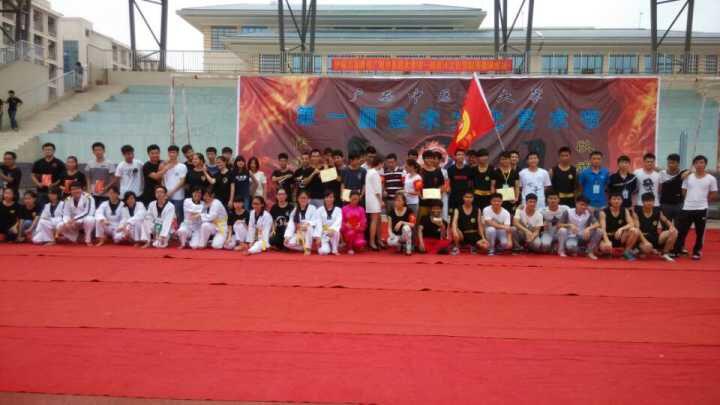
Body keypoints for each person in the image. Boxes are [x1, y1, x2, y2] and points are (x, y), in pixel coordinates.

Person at [673, 155, 718, 260]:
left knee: (700, 232)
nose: (699, 165)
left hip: (702, 209)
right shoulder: (688, 177)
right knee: (682, 231)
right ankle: (677, 250)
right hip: (687, 208)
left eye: (701, 162)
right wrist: (690, 200)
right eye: (697, 162)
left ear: (705, 164)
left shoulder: (711, 179)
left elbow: (714, 193)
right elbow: (683, 191)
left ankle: (697, 251)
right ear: (694, 164)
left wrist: (704, 200)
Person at [633, 192, 677, 262]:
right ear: (642, 202)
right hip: (642, 238)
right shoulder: (637, 212)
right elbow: (637, 229)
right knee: (647, 248)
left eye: (651, 201)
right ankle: (640, 250)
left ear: (654, 202)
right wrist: (645, 242)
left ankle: (665, 253)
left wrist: (672, 227)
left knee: (674, 232)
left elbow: (665, 220)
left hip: (655, 237)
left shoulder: (657, 211)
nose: (649, 203)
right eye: (647, 201)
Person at [598, 193, 640, 260]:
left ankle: (626, 252)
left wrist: (621, 229)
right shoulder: (603, 212)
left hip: (620, 236)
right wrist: (607, 241)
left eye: (618, 199)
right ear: (609, 201)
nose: (616, 201)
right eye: (614, 199)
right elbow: (603, 229)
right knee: (607, 247)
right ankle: (606, 251)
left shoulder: (625, 210)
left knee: (635, 231)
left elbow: (632, 223)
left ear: (622, 201)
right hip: (608, 236)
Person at [57, 181, 96, 246]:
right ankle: (77, 238)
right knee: (59, 226)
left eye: (78, 189)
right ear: (70, 191)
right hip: (73, 223)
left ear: (82, 189)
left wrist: (74, 219)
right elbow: (66, 214)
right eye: (73, 189)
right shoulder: (67, 200)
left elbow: (88, 212)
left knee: (90, 219)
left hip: (84, 220)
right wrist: (67, 222)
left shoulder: (88, 197)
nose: (75, 191)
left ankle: (88, 239)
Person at [451, 191, 488, 255]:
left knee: (485, 247)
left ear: (473, 198)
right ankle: (457, 247)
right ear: (463, 198)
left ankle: (473, 246)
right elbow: (454, 222)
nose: (468, 199)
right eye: (466, 197)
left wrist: (483, 237)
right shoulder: (458, 209)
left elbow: (479, 225)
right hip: (462, 235)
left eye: (470, 197)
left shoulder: (477, 209)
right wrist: (455, 232)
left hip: (474, 234)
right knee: (455, 231)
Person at [159, 145, 188, 223]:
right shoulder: (164, 166)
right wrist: (164, 192)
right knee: (166, 216)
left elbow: (182, 181)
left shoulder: (182, 166)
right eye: (170, 152)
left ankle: (178, 230)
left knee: (177, 216)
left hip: (178, 196)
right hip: (166, 195)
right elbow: (162, 179)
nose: (172, 154)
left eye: (174, 152)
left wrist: (171, 192)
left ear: (177, 154)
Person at [659, 153, 688, 224]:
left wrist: (689, 172)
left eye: (673, 163)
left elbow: (694, 171)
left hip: (679, 204)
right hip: (665, 205)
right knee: (665, 227)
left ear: (678, 163)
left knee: (679, 226)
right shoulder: (662, 173)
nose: (670, 165)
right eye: (669, 163)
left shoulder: (683, 173)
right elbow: (659, 189)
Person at [539, 190, 570, 255]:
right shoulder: (542, 211)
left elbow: (574, 212)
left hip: (559, 234)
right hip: (548, 233)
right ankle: (554, 246)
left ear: (559, 200)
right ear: (547, 200)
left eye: (555, 198)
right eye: (550, 198)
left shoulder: (565, 209)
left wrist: (589, 209)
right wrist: (542, 224)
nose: (553, 200)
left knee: (563, 230)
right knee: (545, 247)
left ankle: (561, 251)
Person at [313, 190, 342, 256]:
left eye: (331, 197)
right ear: (324, 199)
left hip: (333, 233)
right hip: (324, 234)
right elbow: (318, 224)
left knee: (336, 232)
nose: (329, 199)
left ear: (334, 199)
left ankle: (334, 250)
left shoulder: (338, 210)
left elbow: (338, 222)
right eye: (327, 197)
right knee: (324, 252)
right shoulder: (319, 210)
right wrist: (318, 237)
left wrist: (332, 229)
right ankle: (323, 247)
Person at [491, 151, 520, 216]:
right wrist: (493, 198)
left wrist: (516, 197)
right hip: (498, 200)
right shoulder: (495, 172)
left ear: (509, 159)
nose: (504, 161)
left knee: (511, 215)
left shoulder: (514, 172)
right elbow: (492, 186)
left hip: (511, 199)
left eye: (506, 159)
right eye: (502, 159)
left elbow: (517, 186)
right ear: (499, 160)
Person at [419, 150, 445, 219]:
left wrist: (438, 192)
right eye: (427, 158)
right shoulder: (420, 171)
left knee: (435, 221)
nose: (430, 160)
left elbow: (442, 185)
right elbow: (416, 187)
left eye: (431, 158)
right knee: (422, 220)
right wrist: (420, 195)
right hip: (423, 202)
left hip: (435, 203)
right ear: (423, 159)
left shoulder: (438, 171)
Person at [365, 156, 384, 250]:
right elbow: (377, 190)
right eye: (382, 164)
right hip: (374, 199)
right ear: (380, 163)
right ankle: (372, 242)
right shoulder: (375, 173)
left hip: (370, 199)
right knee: (374, 220)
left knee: (378, 220)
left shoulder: (369, 172)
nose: (383, 166)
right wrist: (381, 201)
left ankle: (379, 240)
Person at [341, 190, 367, 254]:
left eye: (356, 199)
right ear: (349, 198)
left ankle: (355, 244)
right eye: (353, 199)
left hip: (358, 232)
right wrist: (346, 225)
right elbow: (341, 221)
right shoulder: (344, 209)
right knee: (351, 233)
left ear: (359, 199)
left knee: (360, 244)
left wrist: (359, 225)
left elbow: (364, 221)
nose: (354, 201)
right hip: (348, 231)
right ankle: (349, 247)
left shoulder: (361, 209)